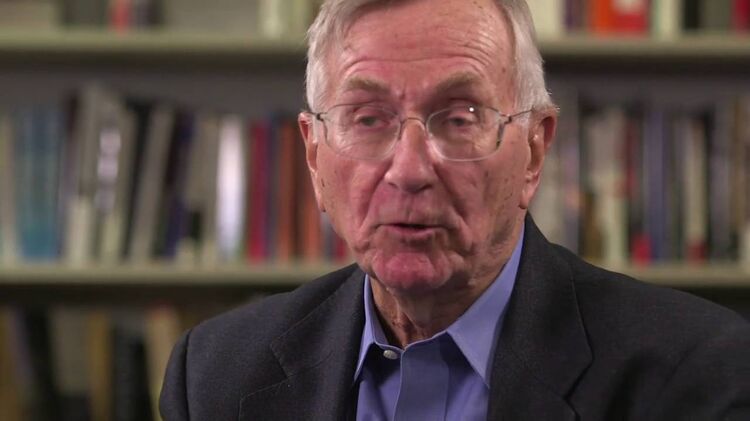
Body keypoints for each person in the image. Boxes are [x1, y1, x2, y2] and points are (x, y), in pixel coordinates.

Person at [159, 0, 750, 419]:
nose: (410, 169)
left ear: (534, 151)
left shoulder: (699, 373)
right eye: (368, 119)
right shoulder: (215, 375)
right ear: (314, 157)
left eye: (461, 118)